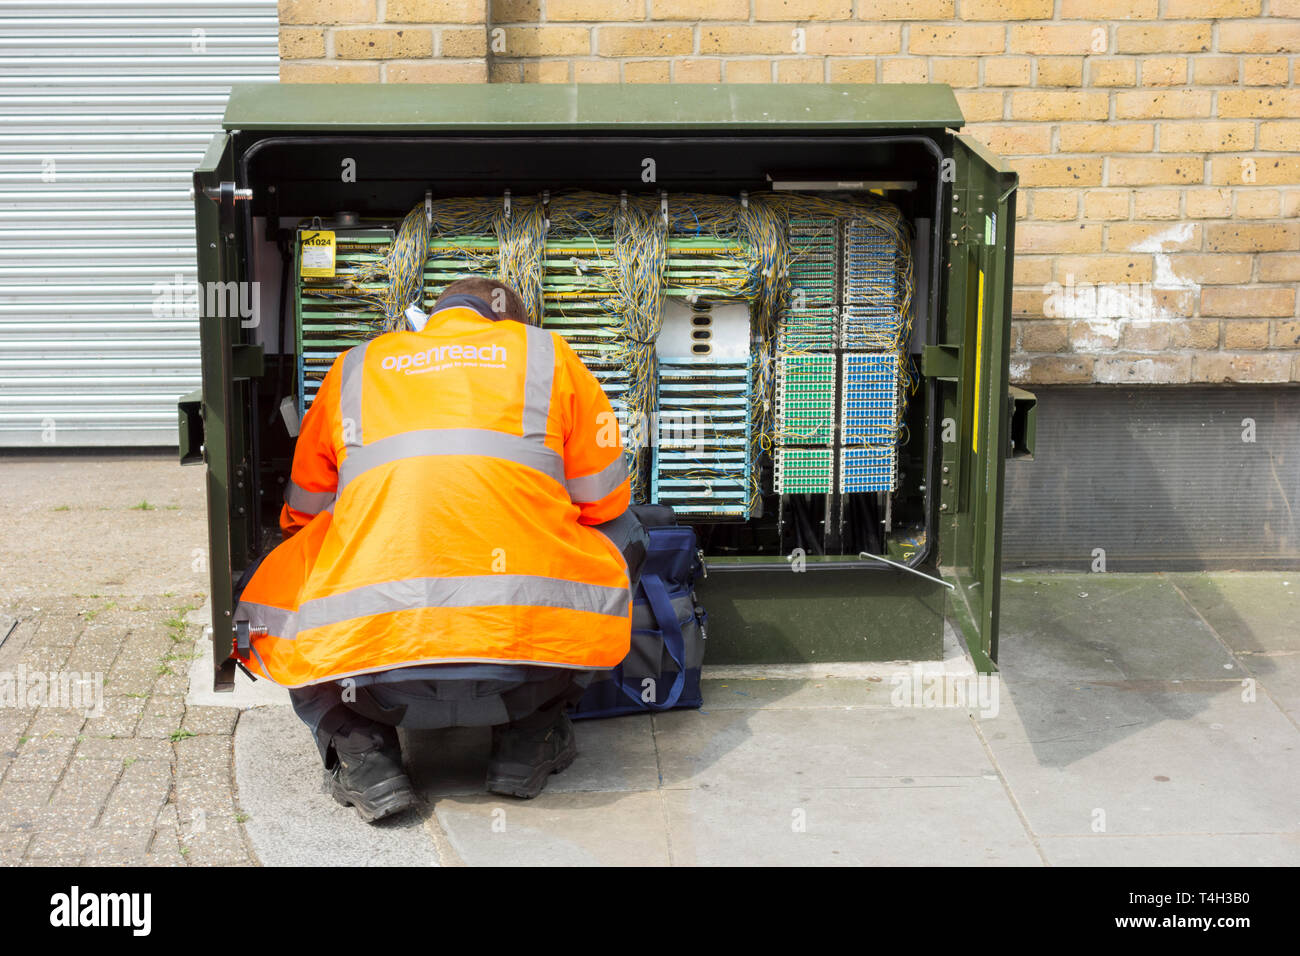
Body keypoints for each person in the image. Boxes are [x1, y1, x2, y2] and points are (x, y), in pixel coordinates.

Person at [233, 277, 646, 822]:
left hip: (371, 674)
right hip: (523, 665)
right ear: (509, 324)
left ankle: (365, 756)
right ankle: (528, 739)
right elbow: (602, 500)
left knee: (290, 561)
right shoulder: (547, 355)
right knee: (627, 534)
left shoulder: (357, 365)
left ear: (429, 317)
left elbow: (302, 513)